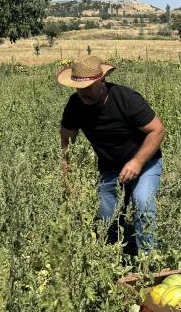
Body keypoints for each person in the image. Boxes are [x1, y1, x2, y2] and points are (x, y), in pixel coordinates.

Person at [58, 56, 166, 257]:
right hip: (110, 168)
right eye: (78, 88)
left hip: (146, 163)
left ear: (101, 81)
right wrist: (67, 180)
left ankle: (148, 263)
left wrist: (137, 161)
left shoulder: (127, 99)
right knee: (106, 218)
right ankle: (116, 259)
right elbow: (67, 144)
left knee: (142, 201)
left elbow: (157, 131)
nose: (83, 93)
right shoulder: (75, 105)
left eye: (88, 87)